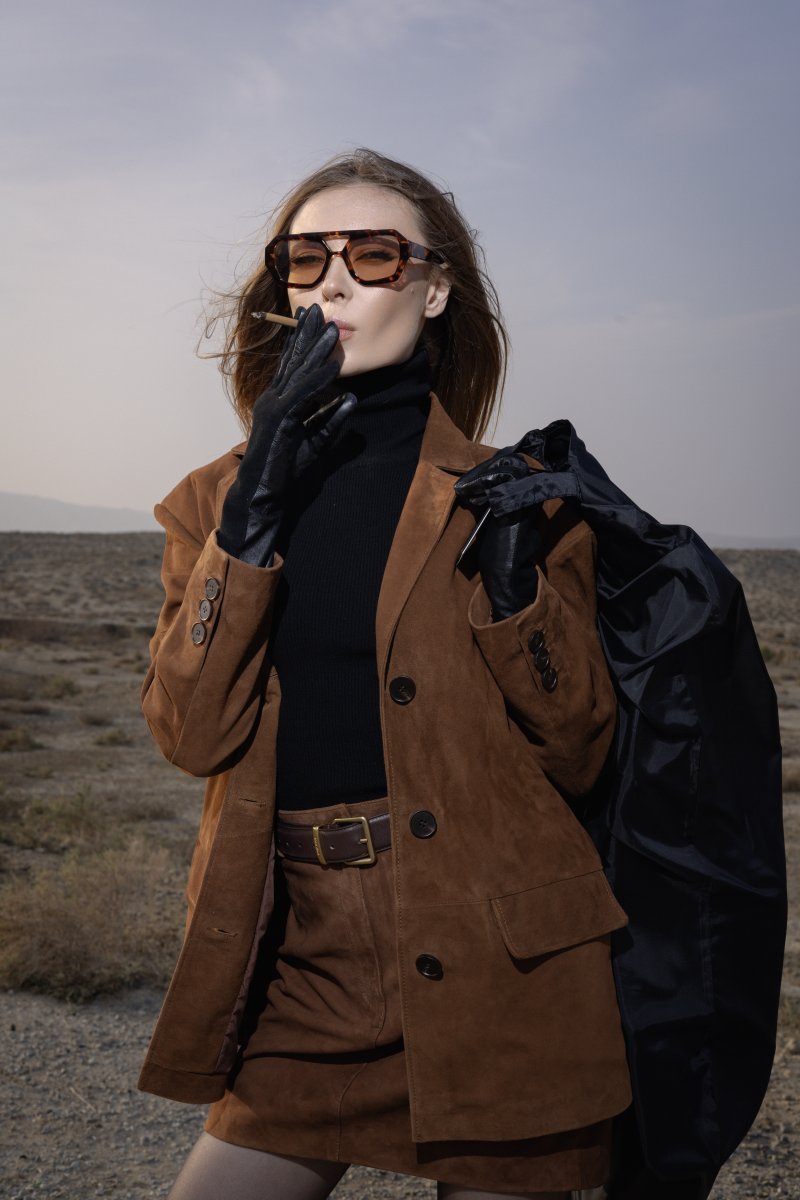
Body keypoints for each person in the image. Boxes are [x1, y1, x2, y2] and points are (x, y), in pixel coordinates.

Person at [138, 148, 634, 1200]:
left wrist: (516, 596)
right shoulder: (212, 502)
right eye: (305, 257)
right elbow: (190, 735)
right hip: (302, 956)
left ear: (434, 287)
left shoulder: (514, 495)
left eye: (372, 254)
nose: (333, 281)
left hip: (502, 956)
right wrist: (254, 513)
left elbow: (581, 750)